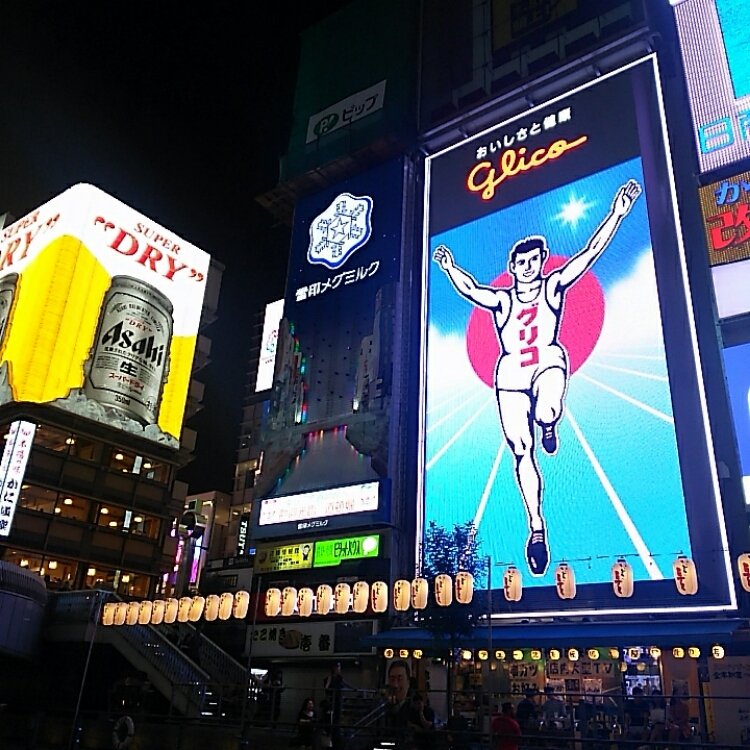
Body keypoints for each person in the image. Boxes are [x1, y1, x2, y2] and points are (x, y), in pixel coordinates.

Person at [433, 179, 641, 575]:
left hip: (547, 361)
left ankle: (548, 423)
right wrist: (448, 268)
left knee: (547, 408)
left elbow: (589, 253)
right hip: (511, 374)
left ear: (542, 262)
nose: (528, 267)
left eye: (534, 261)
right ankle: (536, 527)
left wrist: (618, 212)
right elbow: (471, 289)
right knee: (520, 449)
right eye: (522, 262)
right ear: (512, 267)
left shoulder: (553, 287)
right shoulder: (502, 300)